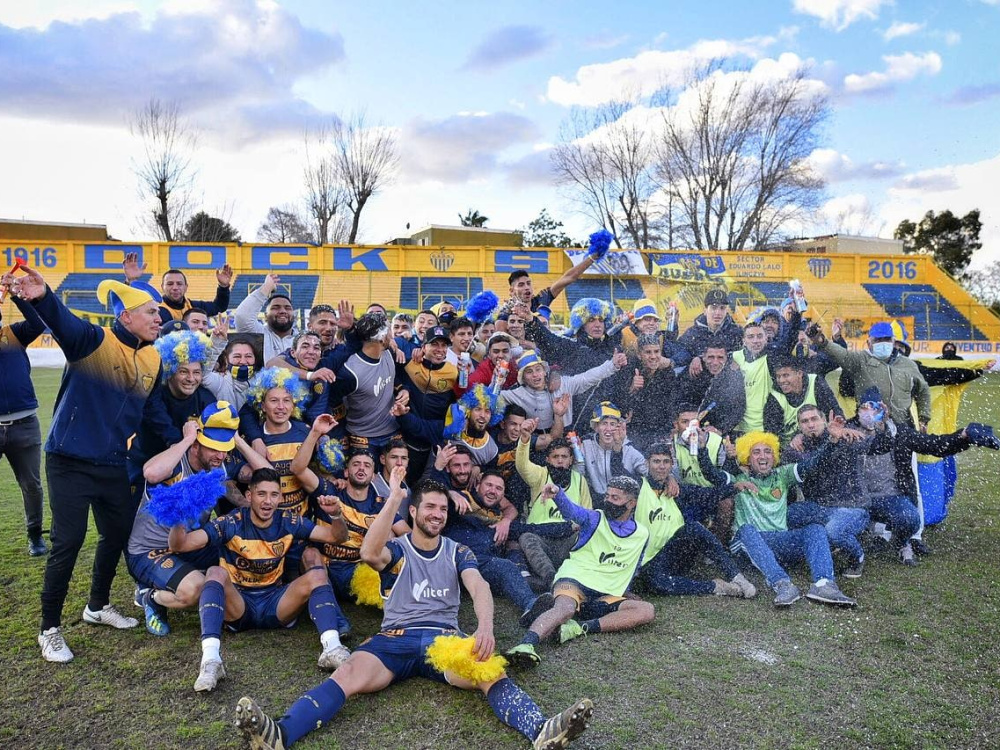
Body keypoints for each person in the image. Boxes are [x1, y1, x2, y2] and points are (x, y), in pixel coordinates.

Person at [233, 475, 594, 750]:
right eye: (430, 507)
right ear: (415, 511)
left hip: (443, 640)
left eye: (442, 509)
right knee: (348, 672)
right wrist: (393, 497)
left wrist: (485, 627)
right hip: (394, 639)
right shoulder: (397, 548)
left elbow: (479, 586)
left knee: (488, 670)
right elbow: (369, 553)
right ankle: (279, 735)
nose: (437, 514)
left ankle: (541, 731)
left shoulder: (457, 550)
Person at [12, 268, 163, 663]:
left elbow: (152, 416)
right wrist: (43, 296)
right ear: (126, 316)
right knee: (68, 541)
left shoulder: (154, 358)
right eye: (151, 312)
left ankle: (97, 606)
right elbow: (63, 322)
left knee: (117, 534)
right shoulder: (94, 340)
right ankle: (49, 629)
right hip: (69, 460)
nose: (159, 318)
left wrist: (188, 440)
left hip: (113, 463)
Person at [168, 467, 351, 690]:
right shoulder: (230, 522)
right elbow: (180, 545)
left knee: (317, 575)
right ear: (249, 496)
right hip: (238, 605)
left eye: (274, 495)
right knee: (214, 572)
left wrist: (336, 516)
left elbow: (337, 537)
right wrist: (178, 517)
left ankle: (331, 648)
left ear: (280, 498)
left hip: (276, 603)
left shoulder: (288, 520)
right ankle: (211, 661)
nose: (267, 501)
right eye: (261, 494)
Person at [127, 402, 269, 636]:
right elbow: (150, 473)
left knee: (245, 555)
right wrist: (185, 440)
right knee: (194, 589)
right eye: (214, 448)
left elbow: (267, 475)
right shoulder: (176, 464)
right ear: (196, 445)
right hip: (151, 551)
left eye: (225, 448)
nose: (221, 455)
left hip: (189, 545)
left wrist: (238, 441)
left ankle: (181, 579)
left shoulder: (220, 464)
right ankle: (150, 596)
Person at [698, 430, 856, 608]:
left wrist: (831, 442)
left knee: (815, 529)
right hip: (747, 545)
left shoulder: (783, 475)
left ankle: (824, 585)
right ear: (747, 459)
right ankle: (782, 584)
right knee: (746, 530)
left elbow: (813, 464)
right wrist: (702, 448)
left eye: (768, 451)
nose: (763, 456)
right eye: (756, 452)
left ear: (774, 457)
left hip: (779, 542)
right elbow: (710, 473)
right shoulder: (738, 479)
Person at [506, 477, 654, 666]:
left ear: (631, 503)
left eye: (615, 498)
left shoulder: (642, 534)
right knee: (565, 608)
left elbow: (632, 566)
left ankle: (578, 627)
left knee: (646, 610)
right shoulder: (594, 518)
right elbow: (572, 511)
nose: (608, 501)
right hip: (575, 580)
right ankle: (526, 644)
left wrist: (626, 590)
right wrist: (558, 495)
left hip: (604, 594)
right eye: (607, 496)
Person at [846, 387, 1000, 565]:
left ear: (884, 410)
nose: (870, 413)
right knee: (838, 524)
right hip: (855, 499)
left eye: (875, 408)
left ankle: (901, 543)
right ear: (858, 410)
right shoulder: (846, 433)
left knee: (910, 518)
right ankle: (854, 547)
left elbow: (935, 445)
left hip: (891, 497)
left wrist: (964, 435)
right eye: (865, 407)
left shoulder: (899, 433)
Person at [635, 443, 756, 598]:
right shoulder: (637, 488)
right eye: (656, 461)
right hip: (648, 561)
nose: (661, 466)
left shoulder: (678, 490)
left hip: (676, 553)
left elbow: (708, 494)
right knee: (655, 584)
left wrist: (735, 487)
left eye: (666, 462)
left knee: (693, 528)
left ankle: (736, 576)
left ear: (672, 465)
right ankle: (716, 586)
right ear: (647, 463)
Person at [0, 276, 48, 556]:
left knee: (31, 485)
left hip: (25, 424)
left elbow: (38, 324)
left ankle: (35, 536)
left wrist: (16, 296)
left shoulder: (13, 333)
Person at [807, 321, 930, 429]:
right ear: (869, 343)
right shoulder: (861, 359)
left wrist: (923, 418)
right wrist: (822, 341)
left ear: (893, 341)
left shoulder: (908, 364)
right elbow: (841, 354)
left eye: (887, 339)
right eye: (878, 340)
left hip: (903, 426)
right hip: (870, 428)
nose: (883, 343)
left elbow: (923, 390)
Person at [502, 350, 624, 435]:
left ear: (544, 372)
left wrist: (612, 365)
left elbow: (587, 377)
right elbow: (494, 398)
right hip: (537, 438)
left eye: (538, 369)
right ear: (523, 378)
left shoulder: (563, 384)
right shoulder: (518, 394)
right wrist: (497, 381)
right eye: (529, 372)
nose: (535, 375)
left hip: (566, 434)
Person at [123, 253, 233, 325]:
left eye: (179, 284)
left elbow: (218, 307)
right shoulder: (155, 309)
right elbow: (130, 309)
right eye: (170, 284)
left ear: (186, 287)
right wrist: (131, 281)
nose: (175, 288)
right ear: (162, 287)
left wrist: (223, 287)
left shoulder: (192, 306)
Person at [763, 357, 842, 446]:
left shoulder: (815, 382)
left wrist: (803, 435)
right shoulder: (774, 397)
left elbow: (835, 413)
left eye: (786, 375)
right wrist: (794, 440)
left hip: (822, 441)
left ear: (799, 373)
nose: (781, 381)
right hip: (790, 448)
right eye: (778, 376)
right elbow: (772, 434)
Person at [580, 403, 647, 499]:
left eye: (612, 424)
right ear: (596, 427)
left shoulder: (629, 448)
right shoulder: (585, 445)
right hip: (594, 500)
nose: (608, 429)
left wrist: (668, 478)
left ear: (619, 427)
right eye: (604, 423)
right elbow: (577, 474)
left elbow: (649, 472)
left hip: (622, 502)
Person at [234, 273, 297, 363]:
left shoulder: (302, 339)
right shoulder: (258, 333)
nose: (283, 311)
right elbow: (242, 316)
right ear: (266, 316)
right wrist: (267, 288)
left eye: (288, 308)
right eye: (276, 307)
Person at [678, 288, 744, 366]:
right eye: (713, 308)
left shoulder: (737, 333)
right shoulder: (692, 333)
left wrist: (734, 359)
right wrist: (693, 359)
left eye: (722, 308)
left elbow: (748, 353)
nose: (718, 313)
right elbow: (679, 352)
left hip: (729, 373)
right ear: (705, 310)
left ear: (726, 311)